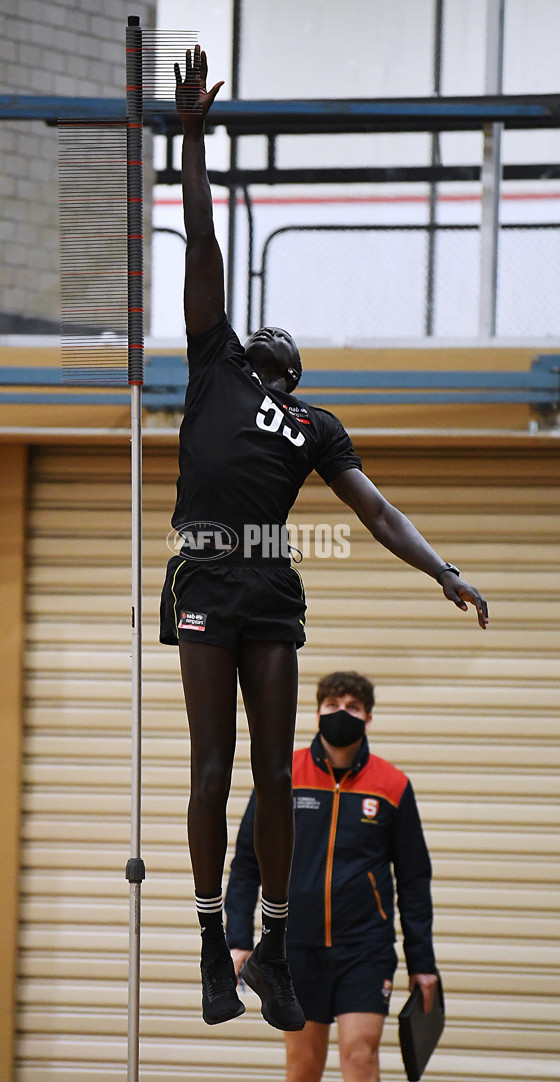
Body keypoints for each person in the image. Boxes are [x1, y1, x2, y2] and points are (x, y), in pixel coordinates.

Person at [160, 45, 487, 1032]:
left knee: (272, 771)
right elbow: (203, 253)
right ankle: (215, 950)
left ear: (288, 373)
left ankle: (264, 950)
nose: (268, 345)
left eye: (278, 350)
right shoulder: (212, 359)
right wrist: (193, 144)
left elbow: (375, 511)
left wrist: (443, 566)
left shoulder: (312, 423)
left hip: (269, 588)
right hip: (209, 569)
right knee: (212, 766)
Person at [226, 671, 438, 1082]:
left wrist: (422, 962)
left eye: (353, 707)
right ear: (317, 712)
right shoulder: (282, 775)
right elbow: (247, 863)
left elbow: (414, 879)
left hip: (365, 949)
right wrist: (237, 939)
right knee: (303, 1067)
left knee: (360, 1057)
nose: (342, 713)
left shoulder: (392, 785)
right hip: (295, 948)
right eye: (333, 705)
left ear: (368, 717)